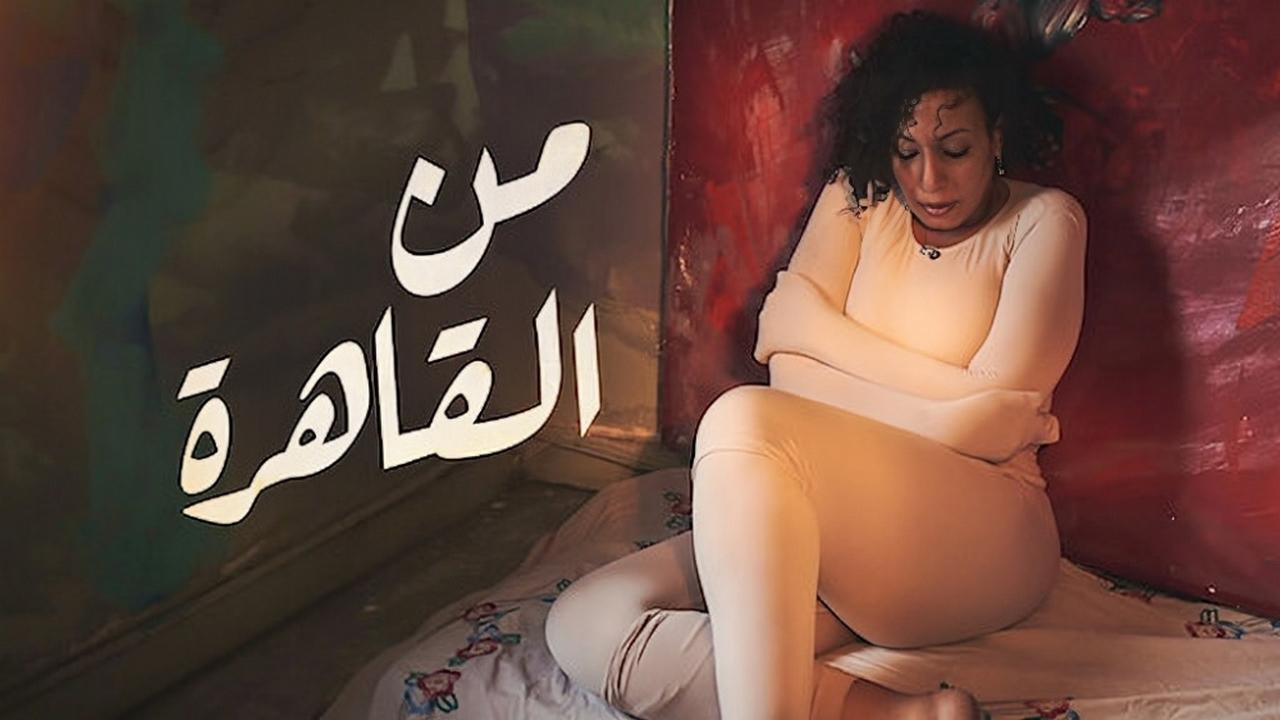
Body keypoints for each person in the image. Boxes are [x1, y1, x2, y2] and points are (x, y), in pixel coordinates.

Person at [545, 10, 1087, 720]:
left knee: (743, 421)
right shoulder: (857, 197)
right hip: (837, 520)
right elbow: (788, 371)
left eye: (954, 149)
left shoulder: (1046, 222)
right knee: (586, 621)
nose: (929, 179)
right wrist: (955, 410)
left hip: (983, 536)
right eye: (906, 152)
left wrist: (819, 336)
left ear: (997, 136)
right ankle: (903, 714)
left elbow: (990, 434)